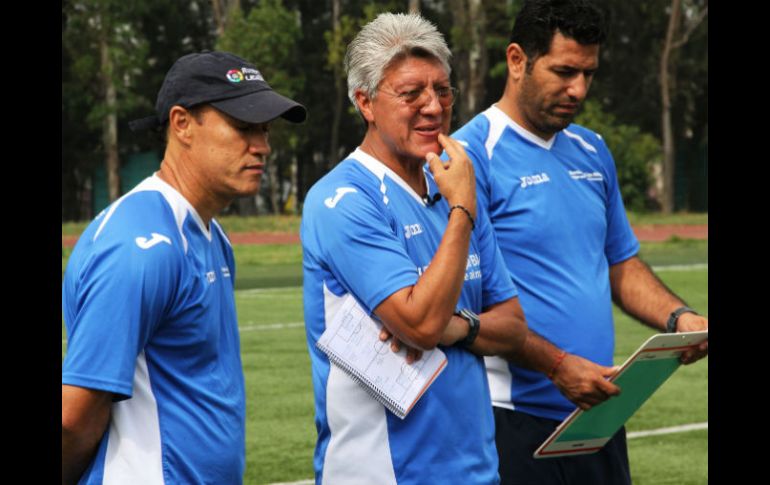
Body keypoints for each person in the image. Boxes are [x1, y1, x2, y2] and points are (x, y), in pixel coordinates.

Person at [450, 1, 709, 484]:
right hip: (510, 418)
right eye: (564, 71)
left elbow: (621, 264)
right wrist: (558, 367)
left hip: (601, 413)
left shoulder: (593, 149)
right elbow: (467, 307)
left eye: (588, 74)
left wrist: (679, 319)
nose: (579, 90)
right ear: (516, 60)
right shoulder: (468, 155)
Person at [301, 12, 533, 484]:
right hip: (383, 473)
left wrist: (457, 328)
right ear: (365, 102)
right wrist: (463, 210)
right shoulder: (342, 198)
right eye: (411, 94)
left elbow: (511, 328)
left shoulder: (451, 187)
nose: (433, 106)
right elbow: (422, 323)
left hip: (475, 470)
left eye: (442, 90)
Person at [61, 51, 306, 484]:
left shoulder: (211, 235)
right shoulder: (141, 248)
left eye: (265, 130)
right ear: (181, 124)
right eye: (244, 126)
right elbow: (73, 420)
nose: (263, 146)